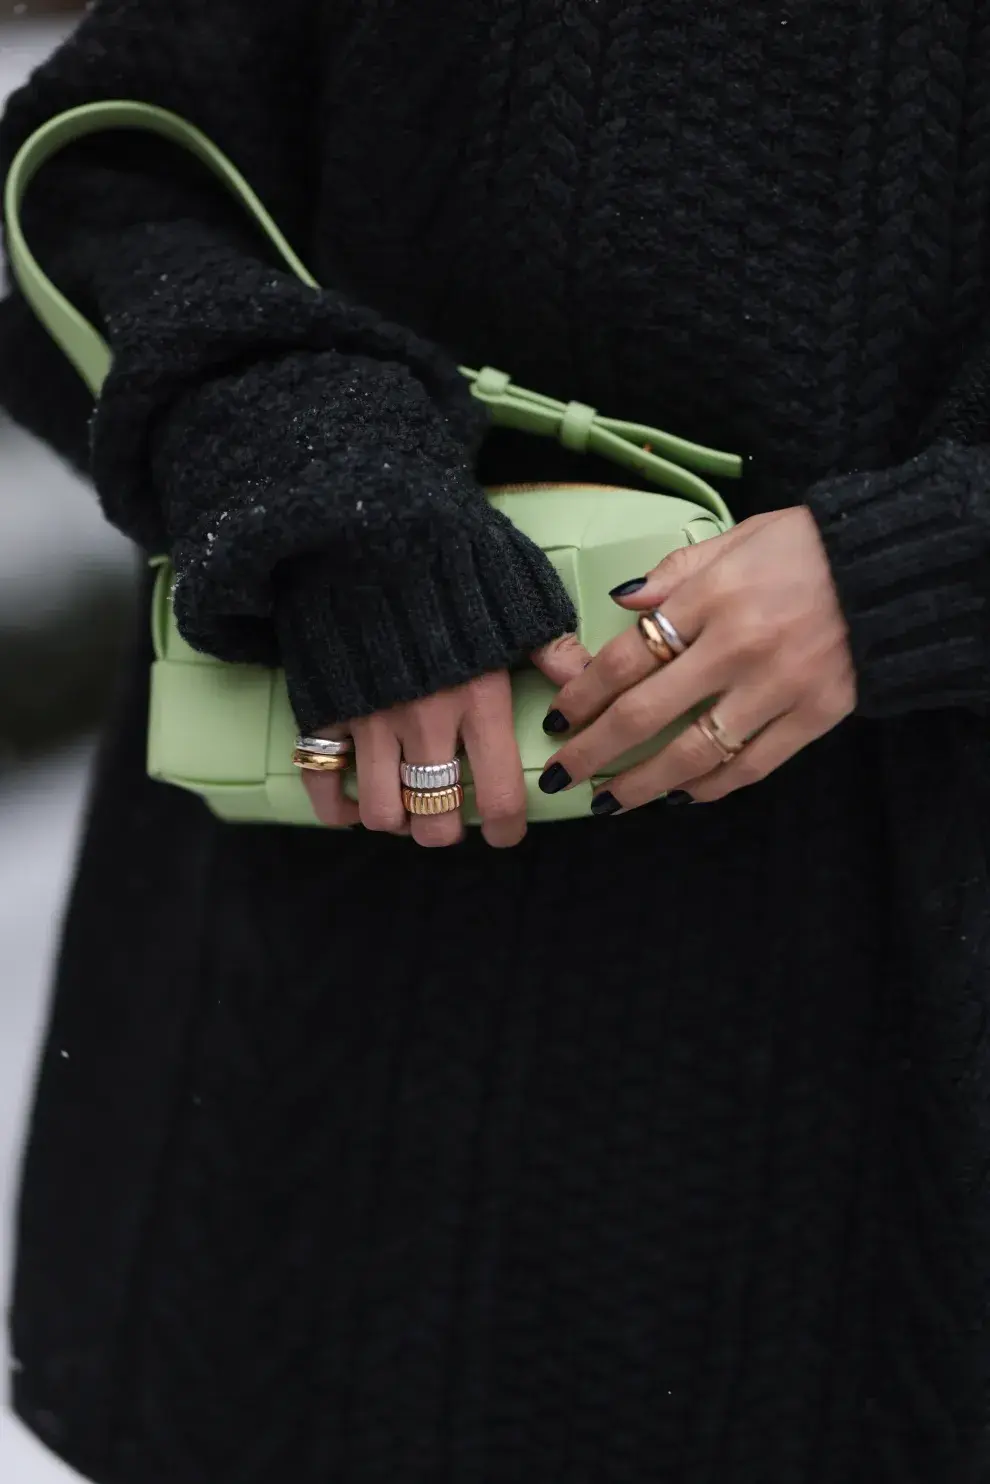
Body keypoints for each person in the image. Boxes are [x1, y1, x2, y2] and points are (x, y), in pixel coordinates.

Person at [2, 2, 989, 1480]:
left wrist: (921, 563)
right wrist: (312, 471)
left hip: (893, 1118)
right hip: (325, 1070)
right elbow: (101, 181)